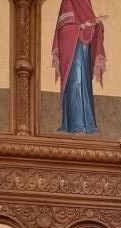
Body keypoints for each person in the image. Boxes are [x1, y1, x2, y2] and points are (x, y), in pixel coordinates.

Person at [51, 0, 106, 134]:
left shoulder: (86, 2)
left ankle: (89, 125)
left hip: (85, 50)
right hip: (73, 50)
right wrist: (81, 26)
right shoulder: (68, 2)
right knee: (75, 82)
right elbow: (63, 28)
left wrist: (97, 24)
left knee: (85, 85)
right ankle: (76, 124)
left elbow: (91, 25)